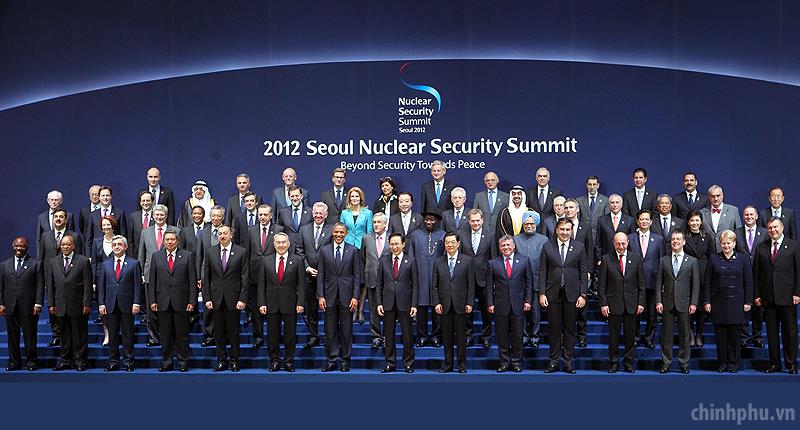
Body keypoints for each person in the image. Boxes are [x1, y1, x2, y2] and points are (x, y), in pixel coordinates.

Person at [539, 219, 588, 374]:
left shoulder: (579, 247)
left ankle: (567, 362)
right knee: (554, 330)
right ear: (556, 230)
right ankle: (554, 362)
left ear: (571, 231)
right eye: (562, 229)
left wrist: (583, 295)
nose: (565, 232)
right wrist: (542, 293)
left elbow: (583, 272)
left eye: (568, 229)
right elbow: (542, 271)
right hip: (552, 294)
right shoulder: (547, 246)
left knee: (570, 330)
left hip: (572, 294)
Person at [753, 217, 800, 374]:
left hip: (787, 296)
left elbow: (798, 271)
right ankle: (774, 363)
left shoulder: (794, 246)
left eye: (775, 227)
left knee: (790, 332)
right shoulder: (761, 247)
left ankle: (791, 363)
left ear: (782, 227)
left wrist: (797, 293)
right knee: (772, 333)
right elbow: (756, 274)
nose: (772, 230)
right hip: (768, 297)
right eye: (770, 228)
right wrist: (757, 294)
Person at [703, 230, 753, 373]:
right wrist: (707, 301)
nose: (726, 246)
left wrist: (748, 302)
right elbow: (707, 282)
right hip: (718, 304)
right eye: (723, 243)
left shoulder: (743, 259)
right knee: (721, 338)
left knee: (735, 338)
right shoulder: (713, 259)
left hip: (737, 304)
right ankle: (722, 363)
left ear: (734, 243)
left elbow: (749, 282)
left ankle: (733, 364)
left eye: (728, 243)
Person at [148, 230, 197, 372]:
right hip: (162, 302)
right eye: (167, 239)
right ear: (163, 242)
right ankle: (166, 362)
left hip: (182, 302)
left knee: (182, 335)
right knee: (165, 335)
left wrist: (192, 301)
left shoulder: (187, 256)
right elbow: (152, 281)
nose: (170, 242)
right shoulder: (156, 256)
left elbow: (192, 280)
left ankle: (183, 363)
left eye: (172, 239)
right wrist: (152, 300)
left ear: (178, 241)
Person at [202, 225, 248, 372]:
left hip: (234, 299)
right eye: (220, 233)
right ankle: (221, 361)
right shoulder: (210, 251)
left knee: (234, 332)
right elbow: (206, 276)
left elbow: (245, 277)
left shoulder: (241, 252)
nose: (222, 236)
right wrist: (207, 298)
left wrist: (242, 299)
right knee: (219, 332)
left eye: (225, 233)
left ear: (231, 235)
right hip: (216, 298)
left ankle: (234, 361)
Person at [597, 232, 645, 373]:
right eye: (618, 243)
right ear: (613, 243)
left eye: (623, 243)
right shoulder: (606, 259)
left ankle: (629, 363)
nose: (621, 246)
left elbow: (641, 284)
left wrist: (641, 303)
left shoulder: (636, 258)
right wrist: (603, 303)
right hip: (613, 304)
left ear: (627, 243)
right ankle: (614, 363)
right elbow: (601, 285)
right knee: (613, 337)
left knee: (630, 336)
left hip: (631, 304)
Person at [317, 223, 361, 372]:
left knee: (346, 329)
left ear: (346, 233)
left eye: (341, 232)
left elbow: (357, 275)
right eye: (336, 232)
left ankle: (345, 360)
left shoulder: (353, 250)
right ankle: (332, 360)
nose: (338, 234)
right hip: (329, 296)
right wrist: (320, 296)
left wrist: (355, 296)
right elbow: (321, 275)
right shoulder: (324, 250)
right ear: (332, 233)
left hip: (347, 297)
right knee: (330, 329)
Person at [259, 232, 305, 372]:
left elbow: (301, 284)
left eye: (283, 242)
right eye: (278, 242)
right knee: (272, 335)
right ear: (274, 244)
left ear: (289, 244)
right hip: (271, 303)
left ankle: (289, 361)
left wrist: (300, 303)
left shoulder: (298, 260)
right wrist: (262, 303)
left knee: (290, 335)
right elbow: (261, 284)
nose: (281, 245)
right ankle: (275, 361)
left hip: (290, 303)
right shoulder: (265, 260)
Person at [655, 230, 700, 374]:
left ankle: (684, 363)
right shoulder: (663, 260)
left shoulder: (692, 261)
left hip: (685, 303)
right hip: (667, 302)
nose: (675, 241)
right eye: (673, 239)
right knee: (666, 336)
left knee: (685, 335)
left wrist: (694, 303)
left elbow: (696, 285)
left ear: (684, 241)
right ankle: (666, 363)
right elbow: (658, 283)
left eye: (678, 239)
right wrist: (658, 301)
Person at [37, 207, 83, 347]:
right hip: (50, 277)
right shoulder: (45, 236)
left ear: (66, 220)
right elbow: (41, 258)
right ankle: (56, 335)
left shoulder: (74, 236)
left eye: (61, 217)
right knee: (53, 306)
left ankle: (70, 337)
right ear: (52, 219)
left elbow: (79, 259)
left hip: (70, 277)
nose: (58, 219)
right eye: (56, 217)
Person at [488, 235, 533, 372]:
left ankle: (516, 363)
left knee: (518, 336)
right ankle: (504, 363)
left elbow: (529, 283)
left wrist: (528, 300)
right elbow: (489, 286)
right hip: (500, 305)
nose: (506, 247)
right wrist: (490, 303)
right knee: (502, 336)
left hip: (518, 304)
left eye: (508, 245)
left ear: (513, 246)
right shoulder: (493, 263)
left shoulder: (524, 261)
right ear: (499, 247)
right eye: (503, 245)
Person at [47, 235, 93, 371]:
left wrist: (87, 304)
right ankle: (65, 360)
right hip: (60, 304)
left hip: (78, 305)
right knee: (64, 335)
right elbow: (50, 285)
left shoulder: (83, 261)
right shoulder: (53, 262)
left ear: (73, 246)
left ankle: (80, 361)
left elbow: (88, 284)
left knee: (79, 335)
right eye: (63, 245)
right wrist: (51, 304)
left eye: (68, 244)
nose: (65, 247)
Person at [96, 235, 141, 372]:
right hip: (110, 305)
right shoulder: (105, 264)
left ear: (125, 247)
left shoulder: (134, 263)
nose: (116, 247)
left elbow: (137, 285)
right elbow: (101, 286)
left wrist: (136, 303)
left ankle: (128, 362)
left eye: (119, 244)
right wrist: (101, 303)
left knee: (128, 335)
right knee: (113, 335)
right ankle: (113, 362)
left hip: (127, 305)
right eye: (114, 245)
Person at [138, 204, 180, 347]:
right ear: (153, 216)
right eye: (157, 215)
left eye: (162, 215)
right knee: (151, 309)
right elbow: (141, 255)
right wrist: (142, 273)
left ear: (166, 216)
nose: (159, 217)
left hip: (170, 276)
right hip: (150, 275)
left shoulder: (176, 231)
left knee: (169, 308)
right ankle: (154, 338)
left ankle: (170, 338)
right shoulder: (145, 232)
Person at [432, 232, 474, 373]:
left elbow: (471, 284)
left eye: (452, 242)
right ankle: (448, 364)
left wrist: (469, 303)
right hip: (444, 305)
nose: (449, 245)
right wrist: (436, 303)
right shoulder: (438, 261)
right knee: (447, 337)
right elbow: (434, 285)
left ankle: (461, 365)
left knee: (461, 337)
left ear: (458, 243)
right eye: (447, 242)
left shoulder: (467, 260)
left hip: (461, 305)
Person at [376, 232, 418, 373]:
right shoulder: (384, 260)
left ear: (403, 244)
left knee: (407, 335)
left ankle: (408, 363)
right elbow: (379, 284)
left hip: (405, 303)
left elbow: (415, 285)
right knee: (389, 335)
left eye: (397, 244)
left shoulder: (410, 260)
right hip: (388, 303)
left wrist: (414, 304)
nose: (394, 247)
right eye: (392, 244)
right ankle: (390, 363)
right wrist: (379, 303)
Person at [245, 204, 285, 349]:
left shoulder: (279, 230)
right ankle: (258, 336)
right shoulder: (251, 230)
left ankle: (276, 336)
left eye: (265, 214)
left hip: (273, 276)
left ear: (271, 215)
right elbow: (247, 253)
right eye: (260, 214)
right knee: (256, 309)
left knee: (275, 309)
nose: (262, 217)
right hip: (254, 276)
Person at [0, 237, 43, 371]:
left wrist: (38, 303)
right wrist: (1, 304)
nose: (19, 248)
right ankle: (14, 362)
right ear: (13, 246)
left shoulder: (35, 264)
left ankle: (31, 361)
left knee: (30, 336)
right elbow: (1, 286)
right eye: (17, 246)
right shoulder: (4, 265)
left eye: (22, 246)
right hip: (10, 306)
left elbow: (40, 285)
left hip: (29, 307)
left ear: (27, 247)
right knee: (12, 337)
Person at [297, 202, 332, 348]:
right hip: (308, 275)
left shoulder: (332, 229)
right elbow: (299, 251)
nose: (318, 215)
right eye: (316, 213)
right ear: (312, 214)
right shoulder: (303, 229)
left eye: (321, 213)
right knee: (311, 309)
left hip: (327, 276)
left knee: (328, 309)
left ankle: (329, 336)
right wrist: (307, 267)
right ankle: (313, 336)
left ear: (326, 215)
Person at [407, 212, 445, 347]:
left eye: (432, 220)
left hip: (437, 276)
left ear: (437, 221)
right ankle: (421, 335)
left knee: (437, 306)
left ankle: (436, 335)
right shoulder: (415, 235)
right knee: (421, 306)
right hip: (420, 275)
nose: (429, 222)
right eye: (427, 219)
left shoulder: (443, 235)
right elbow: (410, 257)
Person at [628, 209, 664, 349]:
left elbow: (661, 261)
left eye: (646, 219)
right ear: (637, 221)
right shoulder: (630, 238)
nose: (644, 221)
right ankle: (635, 337)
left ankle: (649, 338)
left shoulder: (659, 239)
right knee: (634, 312)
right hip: (634, 281)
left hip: (652, 281)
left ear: (651, 221)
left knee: (651, 313)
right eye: (641, 219)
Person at [513, 211, 548, 348]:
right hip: (519, 282)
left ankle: (534, 336)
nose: (529, 226)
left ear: (536, 224)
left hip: (537, 280)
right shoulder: (515, 240)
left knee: (535, 312)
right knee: (520, 311)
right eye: (526, 223)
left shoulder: (544, 240)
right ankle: (523, 336)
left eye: (531, 223)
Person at [460, 209, 494, 349]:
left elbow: (493, 258)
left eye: (477, 220)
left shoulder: (490, 235)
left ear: (482, 220)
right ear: (469, 221)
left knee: (486, 311)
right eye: (472, 221)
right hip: (466, 279)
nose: (475, 223)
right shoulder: (462, 235)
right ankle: (468, 336)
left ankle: (486, 337)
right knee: (467, 310)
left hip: (484, 278)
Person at [735, 205, 768, 348]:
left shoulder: (765, 233)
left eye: (751, 214)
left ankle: (757, 336)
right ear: (743, 217)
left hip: (760, 275)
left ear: (756, 216)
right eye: (746, 215)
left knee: (758, 306)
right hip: (741, 275)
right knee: (743, 306)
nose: (749, 217)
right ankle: (743, 336)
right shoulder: (736, 233)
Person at [563, 198, 594, 345]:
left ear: (577, 209)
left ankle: (581, 336)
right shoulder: (561, 226)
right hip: (565, 273)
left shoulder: (585, 226)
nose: (568, 210)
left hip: (581, 272)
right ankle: (564, 335)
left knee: (581, 306)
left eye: (571, 207)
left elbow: (590, 249)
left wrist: (588, 270)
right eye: (566, 208)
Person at [341, 186, 373, 323]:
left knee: (362, 280)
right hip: (348, 248)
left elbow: (369, 231)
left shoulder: (368, 213)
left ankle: (360, 310)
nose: (354, 198)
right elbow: (342, 231)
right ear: (349, 198)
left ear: (361, 198)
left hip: (362, 248)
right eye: (352, 196)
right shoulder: (344, 213)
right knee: (350, 278)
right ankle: (352, 309)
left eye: (357, 196)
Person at [683, 210, 715, 348]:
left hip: (703, 275)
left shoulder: (707, 236)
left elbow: (712, 257)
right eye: (692, 220)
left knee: (701, 308)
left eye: (697, 220)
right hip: (687, 275)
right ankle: (690, 334)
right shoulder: (684, 236)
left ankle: (699, 334)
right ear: (688, 222)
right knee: (689, 307)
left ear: (701, 222)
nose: (695, 223)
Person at [195, 206, 226, 347]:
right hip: (207, 275)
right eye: (213, 215)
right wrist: (199, 276)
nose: (216, 218)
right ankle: (209, 335)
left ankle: (223, 335)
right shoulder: (203, 233)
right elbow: (199, 256)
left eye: (218, 216)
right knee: (208, 307)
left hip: (225, 276)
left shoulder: (228, 231)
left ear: (222, 217)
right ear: (210, 216)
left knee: (224, 307)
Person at [361, 212, 391, 349]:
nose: (376, 225)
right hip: (372, 278)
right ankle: (376, 337)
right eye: (374, 222)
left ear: (385, 224)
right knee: (373, 309)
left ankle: (387, 337)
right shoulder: (367, 238)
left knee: (388, 309)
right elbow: (363, 257)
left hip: (388, 280)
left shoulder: (392, 237)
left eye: (379, 222)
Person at [90, 215, 117, 346]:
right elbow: (94, 263)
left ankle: (115, 332)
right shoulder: (96, 242)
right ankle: (107, 333)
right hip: (101, 278)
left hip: (116, 278)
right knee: (103, 307)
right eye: (104, 225)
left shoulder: (118, 240)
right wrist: (93, 282)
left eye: (108, 224)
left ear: (113, 226)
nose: (106, 227)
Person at [700, 185, 742, 252]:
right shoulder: (701, 212)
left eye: (718, 195)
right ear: (709, 197)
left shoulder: (733, 210)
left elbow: (739, 233)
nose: (716, 199)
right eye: (713, 196)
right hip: (708, 252)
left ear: (722, 195)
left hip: (728, 251)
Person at [86, 186, 127, 255]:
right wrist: (88, 256)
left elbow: (123, 235)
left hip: (115, 252)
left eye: (107, 195)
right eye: (103, 195)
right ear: (99, 197)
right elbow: (89, 238)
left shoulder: (120, 213)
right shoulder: (92, 215)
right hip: (98, 252)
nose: (105, 198)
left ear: (111, 197)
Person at [594, 194, 635, 262]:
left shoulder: (630, 220)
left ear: (621, 205)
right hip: (606, 259)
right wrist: (599, 259)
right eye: (612, 202)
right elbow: (598, 242)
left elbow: (632, 243)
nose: (615, 205)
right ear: (609, 205)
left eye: (617, 202)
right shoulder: (602, 220)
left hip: (624, 258)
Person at [36, 190, 75, 259]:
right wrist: (39, 257)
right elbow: (39, 239)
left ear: (61, 201)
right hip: (48, 256)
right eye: (52, 200)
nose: (54, 202)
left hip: (64, 256)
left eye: (56, 200)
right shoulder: (41, 217)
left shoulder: (69, 216)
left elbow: (71, 237)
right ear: (48, 201)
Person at [472, 171, 509, 237]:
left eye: (492, 180)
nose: (490, 182)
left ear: (497, 180)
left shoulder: (506, 197)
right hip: (483, 233)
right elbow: (474, 215)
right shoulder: (478, 196)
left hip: (500, 233)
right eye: (487, 180)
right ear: (484, 182)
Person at [526, 167, 563, 232]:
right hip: (534, 228)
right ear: (536, 178)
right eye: (540, 176)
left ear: (548, 178)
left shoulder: (556, 192)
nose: (542, 178)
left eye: (544, 176)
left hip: (551, 229)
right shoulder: (529, 193)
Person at [127, 190, 154, 258]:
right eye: (143, 201)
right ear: (140, 202)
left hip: (153, 255)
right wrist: (131, 256)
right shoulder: (133, 217)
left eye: (148, 200)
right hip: (137, 255)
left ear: (152, 201)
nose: (145, 203)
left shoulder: (157, 216)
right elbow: (130, 240)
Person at [78, 185, 101, 250]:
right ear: (89, 195)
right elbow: (82, 228)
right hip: (88, 245)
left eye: (96, 194)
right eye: (92, 194)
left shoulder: (105, 210)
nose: (94, 197)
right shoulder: (83, 210)